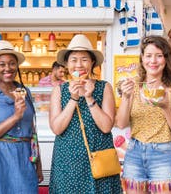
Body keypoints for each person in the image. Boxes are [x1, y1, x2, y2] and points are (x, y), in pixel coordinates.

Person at [115, 35, 171, 194]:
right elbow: (120, 124)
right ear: (142, 58)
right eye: (148, 56)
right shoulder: (133, 84)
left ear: (166, 58)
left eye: (159, 55)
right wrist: (126, 97)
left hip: (164, 154)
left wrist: (166, 107)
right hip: (134, 153)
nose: (153, 61)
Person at [49, 34, 122, 193]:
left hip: (99, 161)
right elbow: (57, 128)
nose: (79, 65)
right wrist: (73, 98)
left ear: (92, 63)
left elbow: (106, 127)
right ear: (67, 64)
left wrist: (89, 97)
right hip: (67, 163)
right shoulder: (59, 91)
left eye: (84, 59)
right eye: (74, 60)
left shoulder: (104, 87)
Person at [0, 40, 43, 193]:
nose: (8, 68)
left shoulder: (25, 92)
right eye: (2, 64)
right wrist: (15, 116)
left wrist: (38, 163)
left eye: (12, 63)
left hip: (25, 159)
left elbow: (32, 131)